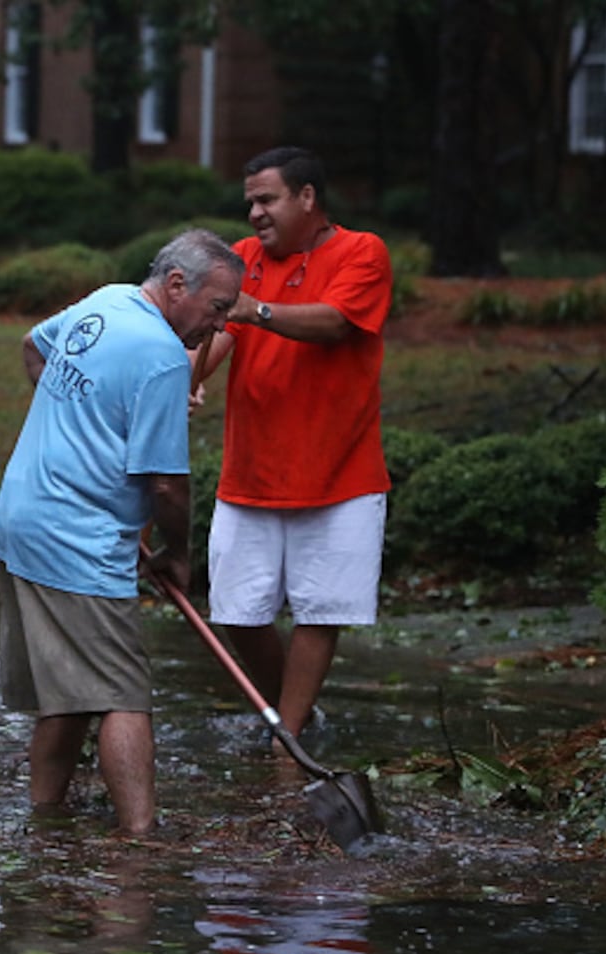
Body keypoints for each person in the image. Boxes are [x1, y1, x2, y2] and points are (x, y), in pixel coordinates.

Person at [0, 229, 244, 836]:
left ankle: (44, 824)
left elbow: (32, 347)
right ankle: (141, 842)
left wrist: (82, 424)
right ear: (177, 284)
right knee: (124, 697)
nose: (218, 326)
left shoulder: (108, 301)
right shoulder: (160, 356)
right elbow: (166, 486)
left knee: (68, 694)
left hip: (22, 521)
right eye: (216, 307)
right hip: (77, 541)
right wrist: (178, 556)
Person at [200, 146, 393, 741]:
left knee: (319, 611)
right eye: (250, 202)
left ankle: (288, 737)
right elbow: (216, 336)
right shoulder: (241, 259)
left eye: (267, 199)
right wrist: (181, 379)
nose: (255, 213)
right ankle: (295, 722)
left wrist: (255, 309)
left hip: (340, 473)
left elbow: (336, 323)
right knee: (235, 611)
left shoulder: (363, 251)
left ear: (307, 197)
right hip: (251, 472)